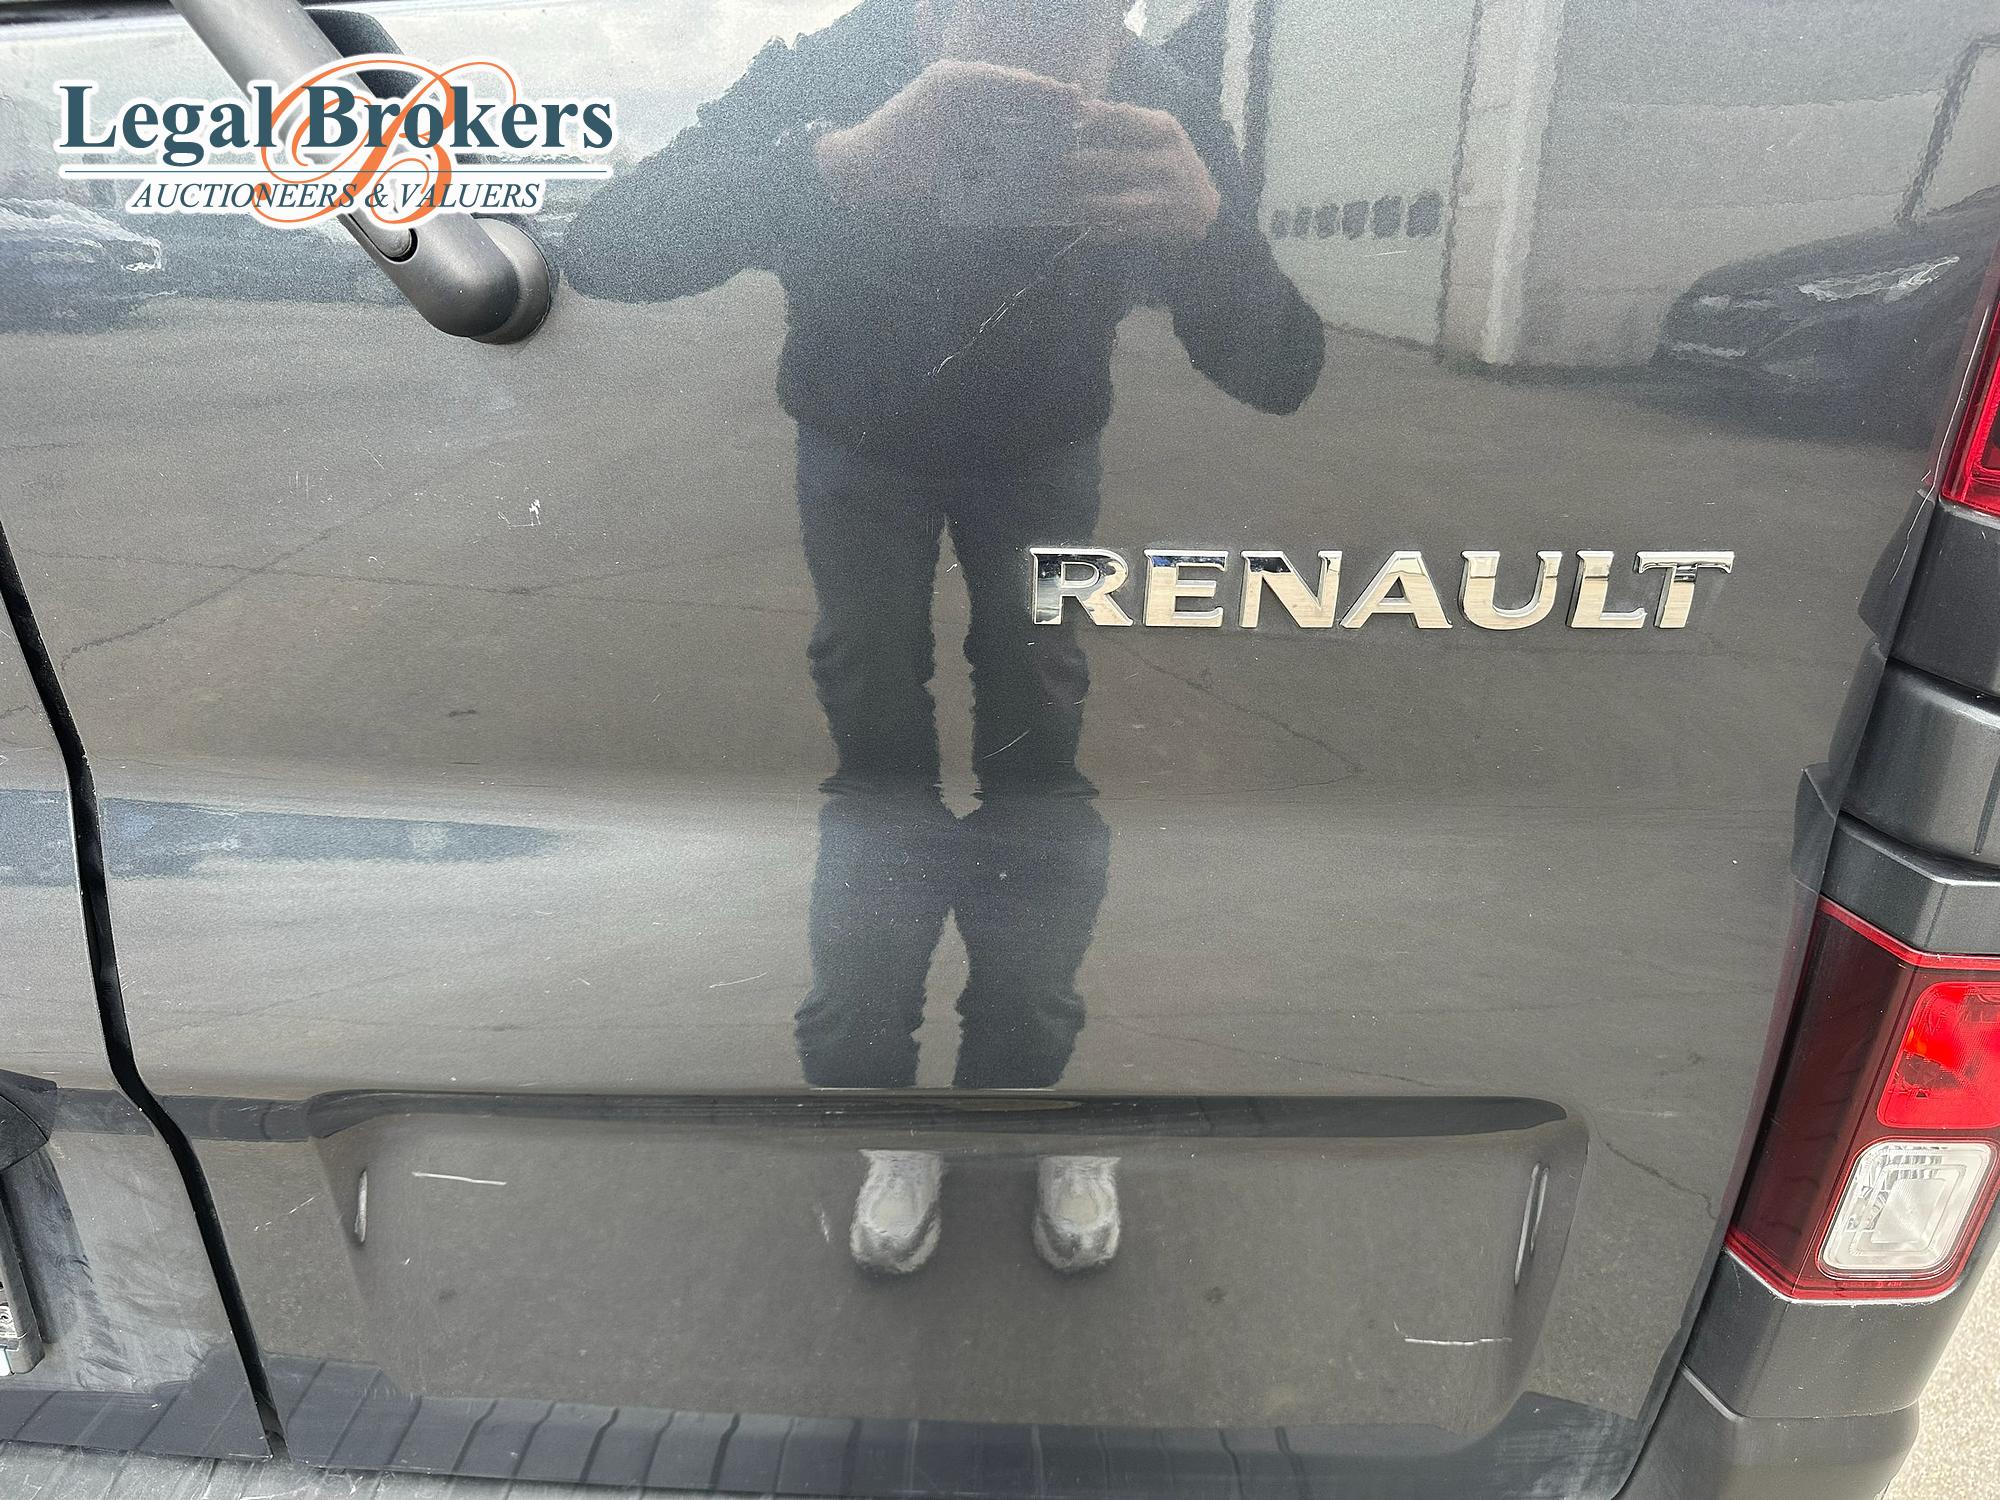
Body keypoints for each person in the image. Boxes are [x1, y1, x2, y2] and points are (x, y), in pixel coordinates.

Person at [564, 0, 1323, 1277]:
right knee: (878, 763)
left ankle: (1019, 1101)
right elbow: (605, 248)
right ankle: (888, 1113)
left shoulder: (1156, 96)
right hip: (859, 446)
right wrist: (835, 166)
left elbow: (1280, 370)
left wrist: (1206, 236)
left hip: (1041, 451)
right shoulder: (839, 65)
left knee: (1036, 763)